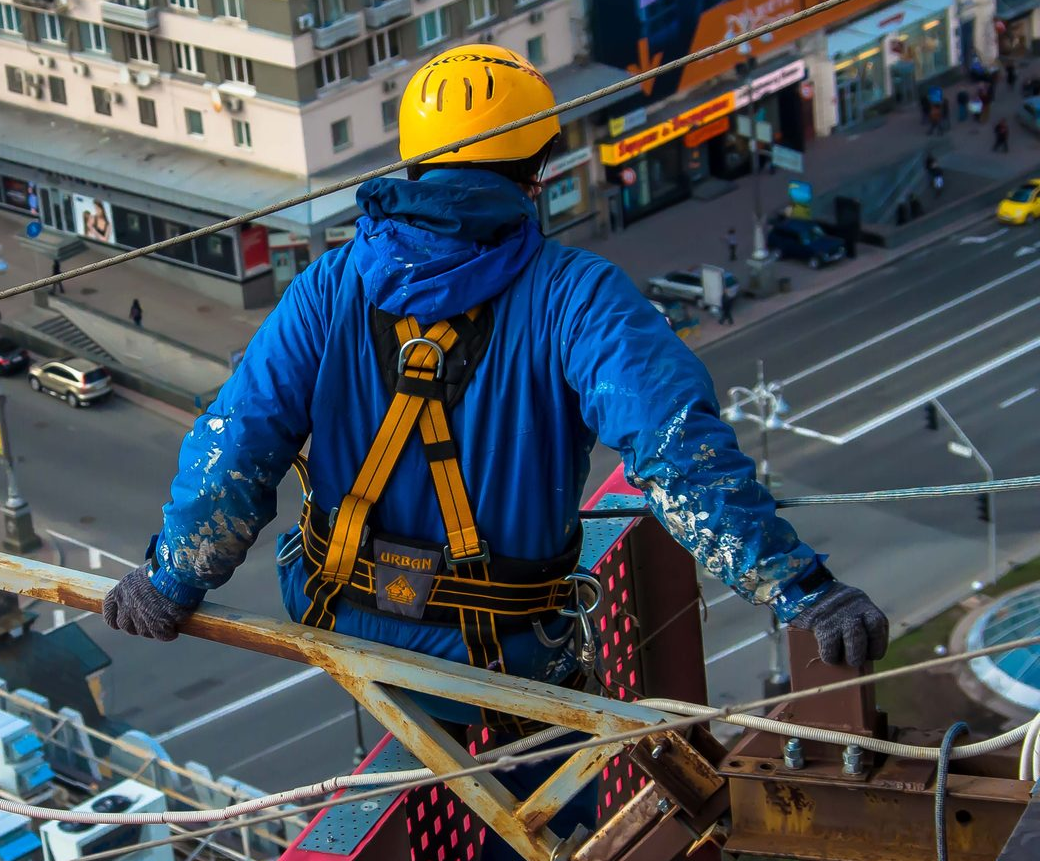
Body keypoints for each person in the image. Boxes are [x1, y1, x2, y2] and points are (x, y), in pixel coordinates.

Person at [101, 46, 888, 855]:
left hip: (356, 635)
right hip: (513, 664)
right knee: (559, 824)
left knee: (445, 789)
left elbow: (234, 445)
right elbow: (676, 451)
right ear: (536, 173)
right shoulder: (576, 296)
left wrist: (170, 579)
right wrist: (803, 591)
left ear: (412, 165)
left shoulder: (328, 286)